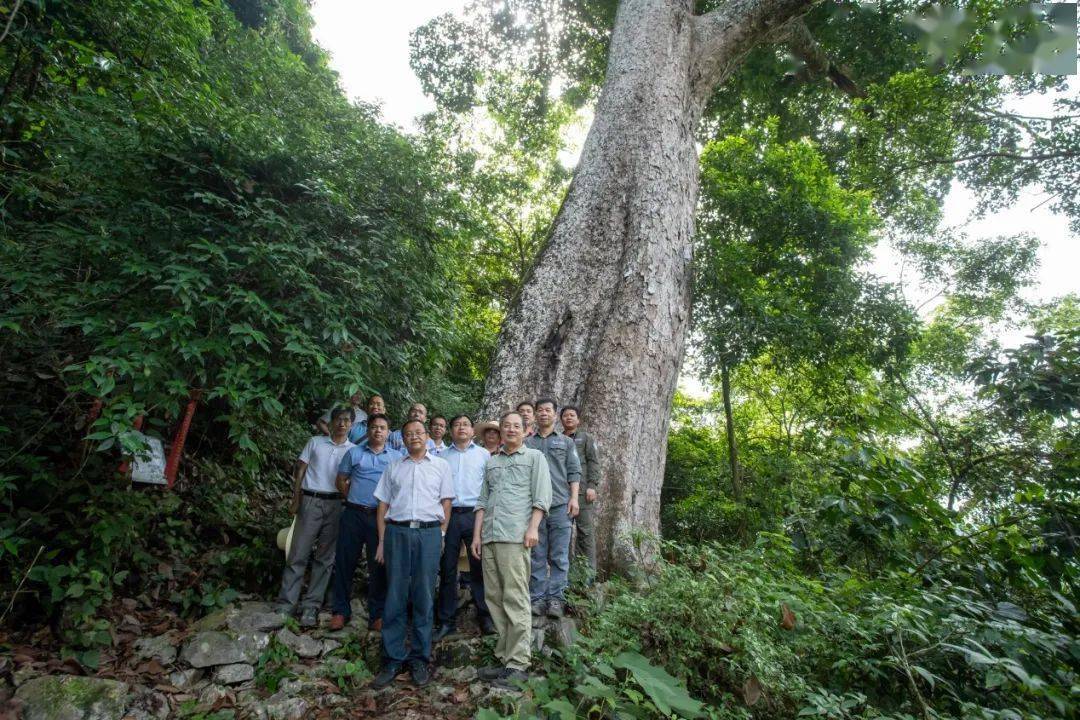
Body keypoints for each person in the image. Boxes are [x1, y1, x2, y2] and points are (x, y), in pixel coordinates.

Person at [371, 419, 455, 689]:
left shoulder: (441, 466)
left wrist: (441, 535)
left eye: (418, 433)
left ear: (427, 436)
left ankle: (419, 656)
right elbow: (382, 505)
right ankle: (393, 658)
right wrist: (383, 541)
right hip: (397, 533)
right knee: (395, 593)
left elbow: (447, 503)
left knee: (424, 593)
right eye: (408, 434)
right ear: (403, 440)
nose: (413, 437)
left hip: (429, 534)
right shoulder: (394, 466)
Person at [471, 411, 551, 687]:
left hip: (515, 536)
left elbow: (542, 497)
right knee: (494, 597)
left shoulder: (534, 459)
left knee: (515, 597)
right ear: (501, 431)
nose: (511, 430)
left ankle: (518, 664)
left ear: (525, 430)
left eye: (517, 426)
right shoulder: (492, 462)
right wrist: (476, 536)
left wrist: (532, 529)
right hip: (490, 536)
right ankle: (505, 658)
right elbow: (482, 500)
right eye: (507, 426)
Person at [275, 407, 354, 627]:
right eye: (338, 419)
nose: (342, 424)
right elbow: (300, 470)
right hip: (311, 500)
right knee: (298, 551)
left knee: (325, 557)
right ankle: (286, 604)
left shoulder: (354, 451)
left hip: (337, 503)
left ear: (352, 425)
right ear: (331, 422)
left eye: (347, 420)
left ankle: (311, 606)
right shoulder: (316, 442)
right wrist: (295, 497)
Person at [330, 413, 396, 632]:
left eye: (382, 428)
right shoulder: (354, 453)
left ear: (388, 432)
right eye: (374, 427)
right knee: (344, 562)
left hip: (380, 517)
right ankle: (340, 611)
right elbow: (341, 480)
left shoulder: (396, 457)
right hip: (353, 514)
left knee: (378, 565)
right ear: (368, 430)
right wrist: (353, 497)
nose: (378, 431)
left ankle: (377, 614)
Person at [434, 415, 494, 640]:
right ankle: (446, 620)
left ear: (472, 431)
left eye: (466, 425)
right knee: (447, 567)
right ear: (450, 430)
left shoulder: (484, 455)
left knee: (478, 566)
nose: (461, 427)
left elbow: (490, 487)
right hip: (448, 516)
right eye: (457, 424)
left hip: (474, 515)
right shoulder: (441, 456)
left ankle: (484, 615)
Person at [525, 398, 581, 619]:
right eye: (540, 411)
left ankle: (556, 599)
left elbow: (574, 471)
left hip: (559, 505)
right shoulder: (528, 443)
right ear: (536, 416)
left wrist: (574, 498)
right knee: (536, 555)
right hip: (534, 507)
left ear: (555, 415)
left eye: (548, 410)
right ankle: (537, 599)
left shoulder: (566, 442)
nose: (543, 414)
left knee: (559, 556)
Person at [560, 405, 600, 577]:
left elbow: (593, 461)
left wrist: (592, 485)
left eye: (572, 415)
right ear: (561, 419)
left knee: (585, 534)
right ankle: (567, 574)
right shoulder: (558, 439)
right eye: (565, 415)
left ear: (578, 420)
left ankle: (587, 575)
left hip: (583, 493)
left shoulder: (585, 438)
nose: (569, 418)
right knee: (563, 535)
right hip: (562, 493)